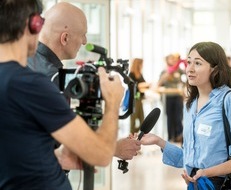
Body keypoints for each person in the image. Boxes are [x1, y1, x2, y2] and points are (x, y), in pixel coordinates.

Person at [0, 0, 124, 189]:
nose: (84, 42)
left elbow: (14, 143)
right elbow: (101, 155)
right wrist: (113, 102)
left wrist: (54, 157)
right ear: (34, 25)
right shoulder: (31, 84)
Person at [27, 2, 141, 161]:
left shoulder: (24, 62)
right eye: (83, 34)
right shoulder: (51, 79)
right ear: (65, 37)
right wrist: (112, 104)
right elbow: (53, 146)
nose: (84, 41)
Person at [141, 42, 231, 189]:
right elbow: (190, 158)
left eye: (197, 63)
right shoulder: (190, 104)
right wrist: (158, 141)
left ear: (215, 69)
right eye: (188, 62)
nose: (189, 69)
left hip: (222, 185)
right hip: (197, 183)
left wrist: (206, 173)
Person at [158, 53, 184, 142]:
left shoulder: (178, 70)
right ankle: (171, 137)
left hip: (178, 96)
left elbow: (185, 75)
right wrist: (168, 72)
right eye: (171, 59)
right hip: (168, 97)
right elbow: (159, 84)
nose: (173, 60)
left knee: (178, 116)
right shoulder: (164, 71)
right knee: (170, 117)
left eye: (174, 59)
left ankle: (179, 135)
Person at [128, 58, 149, 133]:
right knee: (134, 117)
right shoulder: (131, 75)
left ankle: (139, 133)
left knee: (141, 118)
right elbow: (133, 86)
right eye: (141, 64)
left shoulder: (140, 74)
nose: (142, 66)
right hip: (134, 99)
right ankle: (132, 133)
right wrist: (141, 86)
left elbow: (144, 84)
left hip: (140, 98)